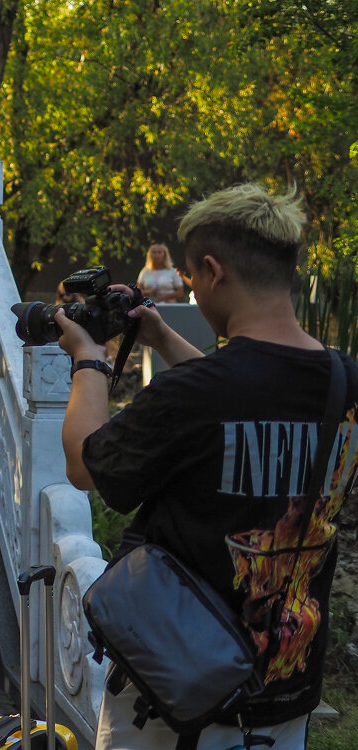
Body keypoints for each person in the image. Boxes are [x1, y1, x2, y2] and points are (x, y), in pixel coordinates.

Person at [57, 183, 358, 750]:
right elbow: (242, 397)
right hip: (286, 692)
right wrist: (165, 340)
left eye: (192, 279)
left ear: (213, 270)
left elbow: (84, 462)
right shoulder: (345, 383)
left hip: (174, 695)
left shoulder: (195, 394)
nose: (191, 290)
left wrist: (89, 360)